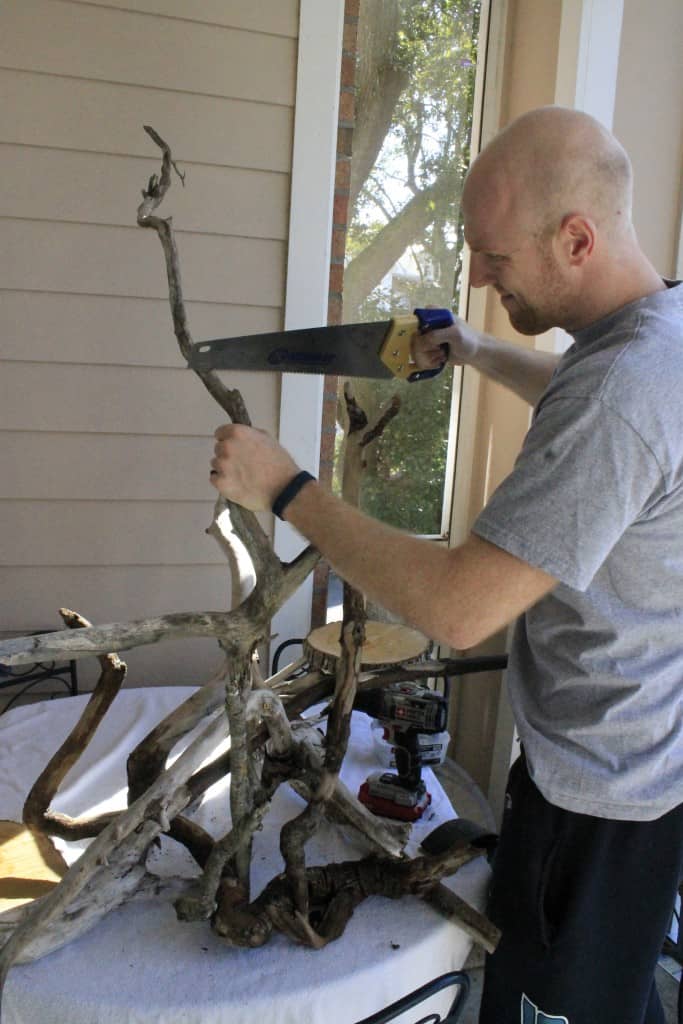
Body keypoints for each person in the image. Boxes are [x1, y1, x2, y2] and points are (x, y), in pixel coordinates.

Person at [208, 106, 683, 1024]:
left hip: (598, 807)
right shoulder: (651, 334)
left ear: (576, 239)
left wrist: (285, 486)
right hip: (632, 770)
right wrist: (474, 352)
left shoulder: (621, 394)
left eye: (495, 258)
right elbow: (589, 398)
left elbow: (460, 610)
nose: (476, 274)